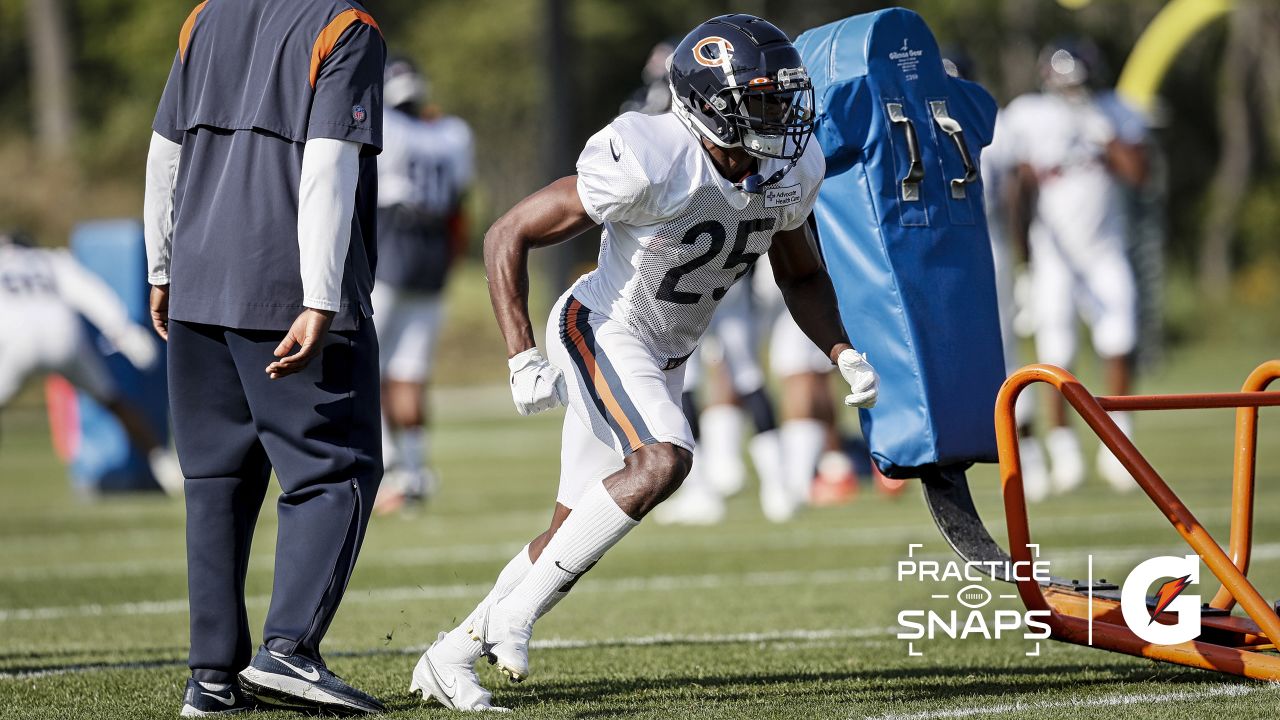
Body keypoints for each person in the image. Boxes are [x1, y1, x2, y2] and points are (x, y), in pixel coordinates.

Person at [409, 14, 879, 711]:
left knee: (574, 529)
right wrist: (520, 357)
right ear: (708, 105)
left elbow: (801, 273)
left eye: (783, 95)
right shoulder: (653, 152)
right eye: (761, 98)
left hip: (668, 350)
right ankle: (513, 617)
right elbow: (509, 231)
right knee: (665, 458)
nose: (781, 114)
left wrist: (841, 350)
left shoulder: (787, 166)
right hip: (602, 326)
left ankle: (448, 655)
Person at [144, 1, 387, 715]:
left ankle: (211, 680)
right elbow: (328, 164)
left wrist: (160, 268)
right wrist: (320, 296)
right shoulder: (347, 27)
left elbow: (165, 151)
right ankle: (289, 650)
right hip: (283, 288)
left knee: (215, 481)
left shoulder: (205, 17)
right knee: (333, 472)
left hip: (196, 282)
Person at [1001, 39, 1148, 495]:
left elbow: (1138, 173)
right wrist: (1023, 262)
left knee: (1120, 340)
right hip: (1054, 256)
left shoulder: (1113, 111)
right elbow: (1018, 191)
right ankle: (1063, 448)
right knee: (1056, 352)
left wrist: (1099, 129)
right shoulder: (1028, 116)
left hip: (1104, 249)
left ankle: (1118, 443)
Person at [373, 56, 474, 512]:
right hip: (433, 254)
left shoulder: (388, 127)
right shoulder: (453, 133)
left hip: (393, 243)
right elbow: (459, 197)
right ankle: (413, 475)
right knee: (410, 371)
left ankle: (389, 469)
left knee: (363, 364)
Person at [0, 232, 179, 491]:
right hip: (63, 334)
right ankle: (164, 465)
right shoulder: (51, 260)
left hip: (16, 340)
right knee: (115, 402)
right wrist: (123, 332)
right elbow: (88, 292)